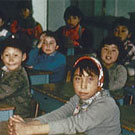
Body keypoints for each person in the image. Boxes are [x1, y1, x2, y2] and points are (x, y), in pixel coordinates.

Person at [8, 56, 121, 135]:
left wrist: (30, 130)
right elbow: (60, 114)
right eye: (78, 79)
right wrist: (29, 123)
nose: (83, 85)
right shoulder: (79, 98)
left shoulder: (106, 104)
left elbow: (75, 124)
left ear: (100, 82)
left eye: (90, 79)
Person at [0, 35, 32, 118]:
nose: (11, 60)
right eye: (7, 55)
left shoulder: (18, 77)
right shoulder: (4, 70)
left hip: (17, 116)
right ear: (2, 57)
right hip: (4, 109)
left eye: (15, 55)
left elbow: (2, 92)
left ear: (23, 57)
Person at [97, 36, 127, 103]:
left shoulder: (120, 69)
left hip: (115, 100)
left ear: (119, 53)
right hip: (97, 98)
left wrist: (101, 87)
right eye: (106, 49)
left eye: (113, 50)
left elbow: (119, 84)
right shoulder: (96, 66)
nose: (109, 53)